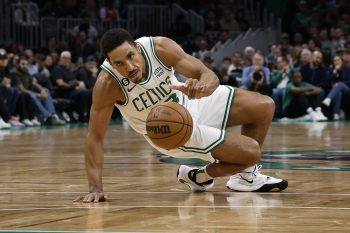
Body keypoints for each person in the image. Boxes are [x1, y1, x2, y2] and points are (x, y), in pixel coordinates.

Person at [75, 28, 288, 203]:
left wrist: (203, 87)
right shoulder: (108, 84)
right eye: (119, 63)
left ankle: (243, 177)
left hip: (191, 103)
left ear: (137, 48)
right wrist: (95, 187)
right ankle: (200, 175)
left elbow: (207, 74)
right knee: (251, 152)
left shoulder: (159, 47)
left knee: (264, 105)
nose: (129, 67)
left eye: (130, 56)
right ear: (111, 64)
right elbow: (95, 136)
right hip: (169, 131)